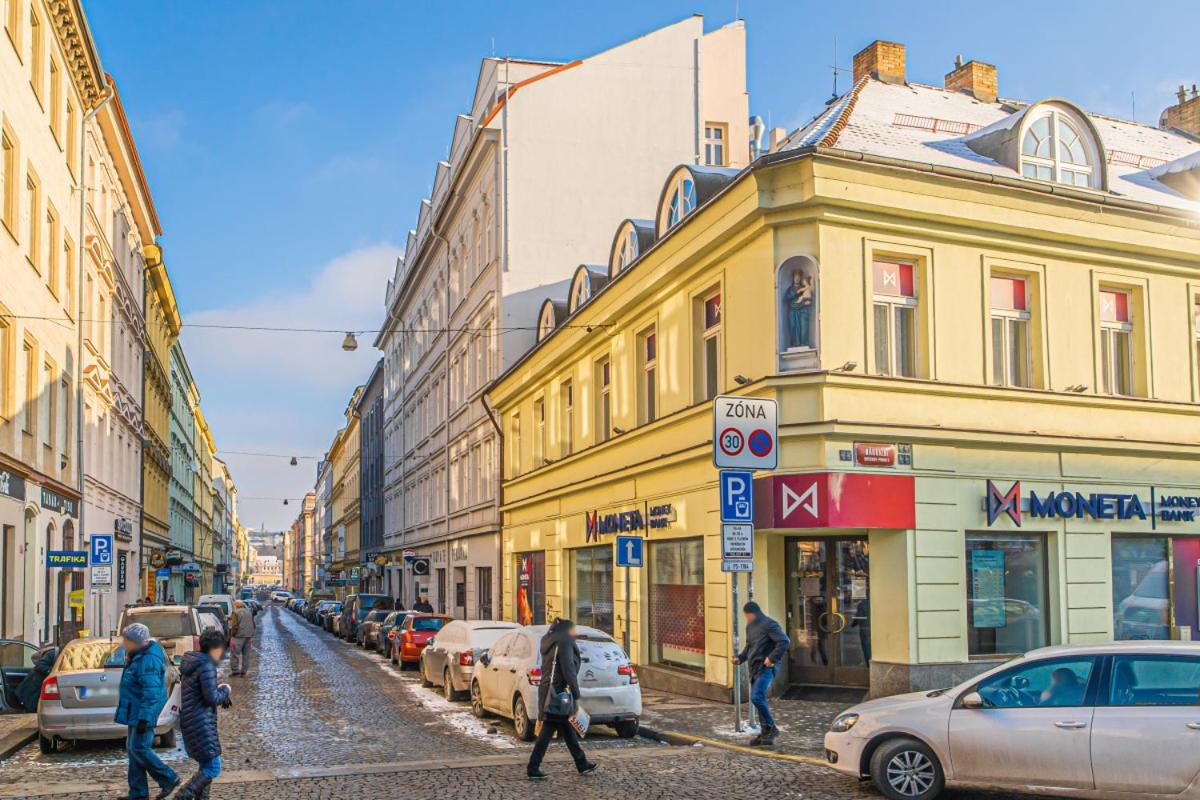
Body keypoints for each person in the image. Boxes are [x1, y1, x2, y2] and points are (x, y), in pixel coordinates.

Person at [115, 623, 179, 800]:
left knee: (140, 748)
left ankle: (168, 778)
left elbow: (150, 693)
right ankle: (138, 792)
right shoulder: (137, 655)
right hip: (135, 710)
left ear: (136, 641)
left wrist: (144, 718)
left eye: (126, 640)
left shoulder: (148, 659)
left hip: (144, 712)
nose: (123, 643)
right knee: (133, 749)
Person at [527, 618, 597, 780]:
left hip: (549, 690)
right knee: (548, 730)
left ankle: (582, 763)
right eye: (572, 629)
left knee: (567, 728)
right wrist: (575, 692)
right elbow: (568, 669)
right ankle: (533, 766)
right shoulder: (564, 642)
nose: (574, 632)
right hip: (557, 694)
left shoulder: (550, 641)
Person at [176, 630, 232, 799]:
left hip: (192, 720)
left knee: (205, 765)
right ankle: (184, 794)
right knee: (213, 767)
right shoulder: (206, 665)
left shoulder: (195, 662)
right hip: (201, 723)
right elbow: (211, 698)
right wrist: (225, 690)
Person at [732, 601, 790, 747]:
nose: (746, 619)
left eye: (746, 616)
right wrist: (740, 658)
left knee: (756, 697)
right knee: (758, 699)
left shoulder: (770, 624)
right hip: (754, 668)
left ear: (750, 614)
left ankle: (771, 727)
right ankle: (766, 733)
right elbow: (749, 647)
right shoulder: (750, 626)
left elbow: (784, 641)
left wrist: (772, 658)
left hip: (766, 668)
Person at [15, 643, 57, 713]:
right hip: (34, 683)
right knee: (30, 706)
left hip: (38, 685)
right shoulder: (53, 654)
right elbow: (40, 665)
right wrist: (53, 671)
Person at [228, 599, 256, 676]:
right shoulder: (249, 612)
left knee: (234, 654)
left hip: (238, 636)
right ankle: (244, 670)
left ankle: (235, 670)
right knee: (246, 654)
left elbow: (234, 626)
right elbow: (253, 624)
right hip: (248, 636)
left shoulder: (235, 613)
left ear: (236, 605)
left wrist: (232, 635)